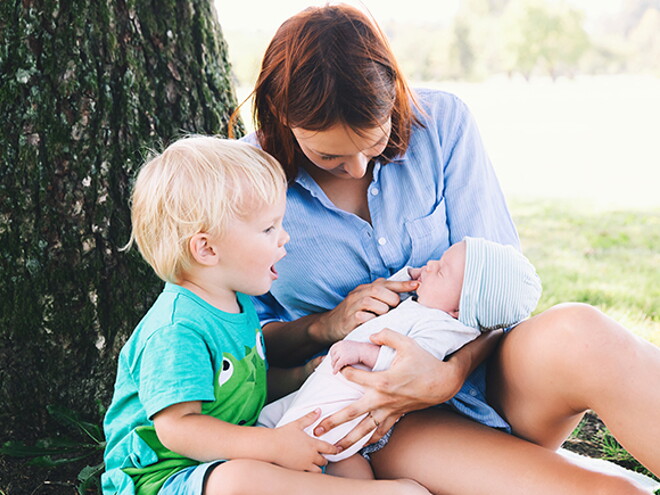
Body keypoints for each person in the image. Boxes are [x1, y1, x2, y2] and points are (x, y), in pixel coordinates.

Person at [235, 4, 660, 493]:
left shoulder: (441, 124)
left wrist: (449, 373)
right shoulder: (245, 181)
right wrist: (324, 325)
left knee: (583, 332)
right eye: (328, 155)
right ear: (282, 116)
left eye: (372, 145)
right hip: (386, 412)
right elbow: (239, 349)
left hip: (492, 368)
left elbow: (502, 283)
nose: (355, 168)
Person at [101, 136, 429, 495]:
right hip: (164, 477)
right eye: (268, 228)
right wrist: (273, 446)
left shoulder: (235, 303)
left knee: (329, 443)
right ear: (207, 249)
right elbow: (178, 429)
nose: (284, 238)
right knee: (238, 482)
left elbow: (244, 387)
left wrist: (303, 376)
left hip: (234, 449)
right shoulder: (178, 329)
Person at [259, 237, 542, 476]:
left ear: (459, 311)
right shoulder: (429, 305)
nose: (430, 265)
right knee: (274, 420)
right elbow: (405, 289)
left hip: (347, 402)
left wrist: (362, 352)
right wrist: (412, 276)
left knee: (305, 436)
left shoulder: (443, 327)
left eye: (441, 271)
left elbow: (404, 365)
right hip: (323, 387)